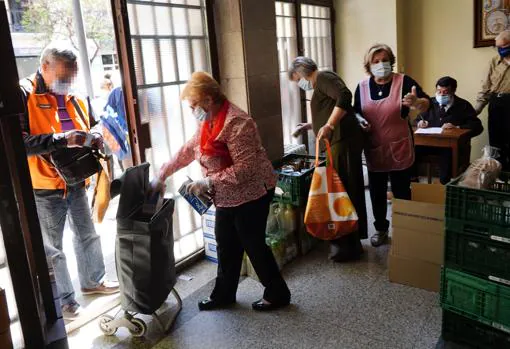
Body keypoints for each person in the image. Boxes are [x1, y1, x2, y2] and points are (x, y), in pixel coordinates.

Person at [151, 72, 291, 311]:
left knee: (253, 244)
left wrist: (207, 182)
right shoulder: (208, 121)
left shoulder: (237, 122)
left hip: (252, 192)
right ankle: (224, 294)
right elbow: (189, 150)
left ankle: (277, 293)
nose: (192, 109)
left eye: (194, 104)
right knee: (226, 243)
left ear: (208, 99)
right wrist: (162, 173)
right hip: (226, 195)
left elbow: (246, 169)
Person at [19, 44, 119, 320]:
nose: (68, 83)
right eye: (63, 76)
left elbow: (95, 123)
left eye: (72, 76)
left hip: (77, 179)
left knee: (87, 232)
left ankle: (93, 281)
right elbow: (19, 143)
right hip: (44, 185)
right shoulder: (24, 94)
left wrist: (96, 134)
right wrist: (61, 140)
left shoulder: (74, 95)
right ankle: (65, 300)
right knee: (54, 248)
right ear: (45, 67)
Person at [288, 56, 367, 262]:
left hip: (342, 141)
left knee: (344, 190)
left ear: (301, 72)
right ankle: (348, 242)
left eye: (296, 79)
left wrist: (329, 125)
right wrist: (310, 125)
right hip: (337, 142)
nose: (298, 84)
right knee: (343, 190)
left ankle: (349, 244)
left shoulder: (322, 77)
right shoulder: (320, 83)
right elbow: (330, 108)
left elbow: (344, 96)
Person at [354, 43, 430, 247]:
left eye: (384, 60)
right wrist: (359, 120)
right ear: (369, 65)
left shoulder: (404, 82)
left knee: (402, 190)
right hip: (375, 148)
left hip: (400, 146)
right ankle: (380, 229)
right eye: (376, 61)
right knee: (377, 192)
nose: (381, 64)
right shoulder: (361, 87)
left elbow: (426, 102)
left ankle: (406, 229)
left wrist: (416, 103)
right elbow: (355, 111)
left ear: (391, 61)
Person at [416, 76, 483, 184]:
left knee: (447, 156)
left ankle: (444, 186)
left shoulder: (463, 105)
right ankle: (413, 182)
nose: (441, 95)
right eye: (439, 91)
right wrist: (420, 123)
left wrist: (457, 127)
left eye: (445, 92)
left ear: (453, 91)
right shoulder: (430, 103)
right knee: (412, 150)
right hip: (428, 144)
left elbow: (477, 126)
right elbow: (418, 119)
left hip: (449, 146)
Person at [475, 30, 510, 171]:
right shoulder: (494, 61)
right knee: (496, 143)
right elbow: (486, 88)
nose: (499, 50)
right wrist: (475, 111)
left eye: (502, 46)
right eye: (497, 47)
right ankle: (499, 177)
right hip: (496, 103)